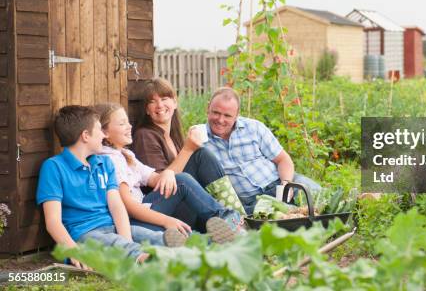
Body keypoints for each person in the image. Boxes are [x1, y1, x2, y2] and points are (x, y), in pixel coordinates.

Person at [36, 106, 184, 269]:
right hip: (83, 236)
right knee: (119, 245)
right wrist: (73, 251)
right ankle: (149, 262)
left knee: (155, 237)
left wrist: (127, 238)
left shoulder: (104, 163)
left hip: (112, 228)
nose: (103, 135)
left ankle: (195, 249)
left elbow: (117, 206)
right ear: (85, 136)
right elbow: (53, 222)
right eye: (99, 130)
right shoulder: (54, 167)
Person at [95, 102, 241, 243]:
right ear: (104, 132)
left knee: (180, 180)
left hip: (145, 211)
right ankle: (227, 220)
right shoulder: (111, 160)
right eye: (122, 124)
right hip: (134, 221)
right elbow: (129, 207)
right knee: (182, 184)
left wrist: (168, 173)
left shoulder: (125, 155)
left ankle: (226, 227)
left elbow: (156, 180)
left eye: (128, 122)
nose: (129, 126)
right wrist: (167, 220)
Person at [132, 78, 246, 223]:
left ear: (175, 102)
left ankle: (234, 217)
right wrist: (188, 149)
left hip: (182, 203)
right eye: (152, 101)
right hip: (163, 208)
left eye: (164, 98)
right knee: (198, 158)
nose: (159, 105)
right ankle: (232, 219)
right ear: (147, 110)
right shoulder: (145, 135)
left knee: (200, 154)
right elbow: (163, 183)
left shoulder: (173, 135)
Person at [202, 87, 321, 214]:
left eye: (227, 115)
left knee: (319, 198)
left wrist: (286, 184)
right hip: (252, 202)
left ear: (237, 115)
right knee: (279, 221)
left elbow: (283, 160)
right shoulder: (200, 141)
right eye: (216, 113)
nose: (220, 120)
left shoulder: (254, 128)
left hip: (280, 184)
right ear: (208, 108)